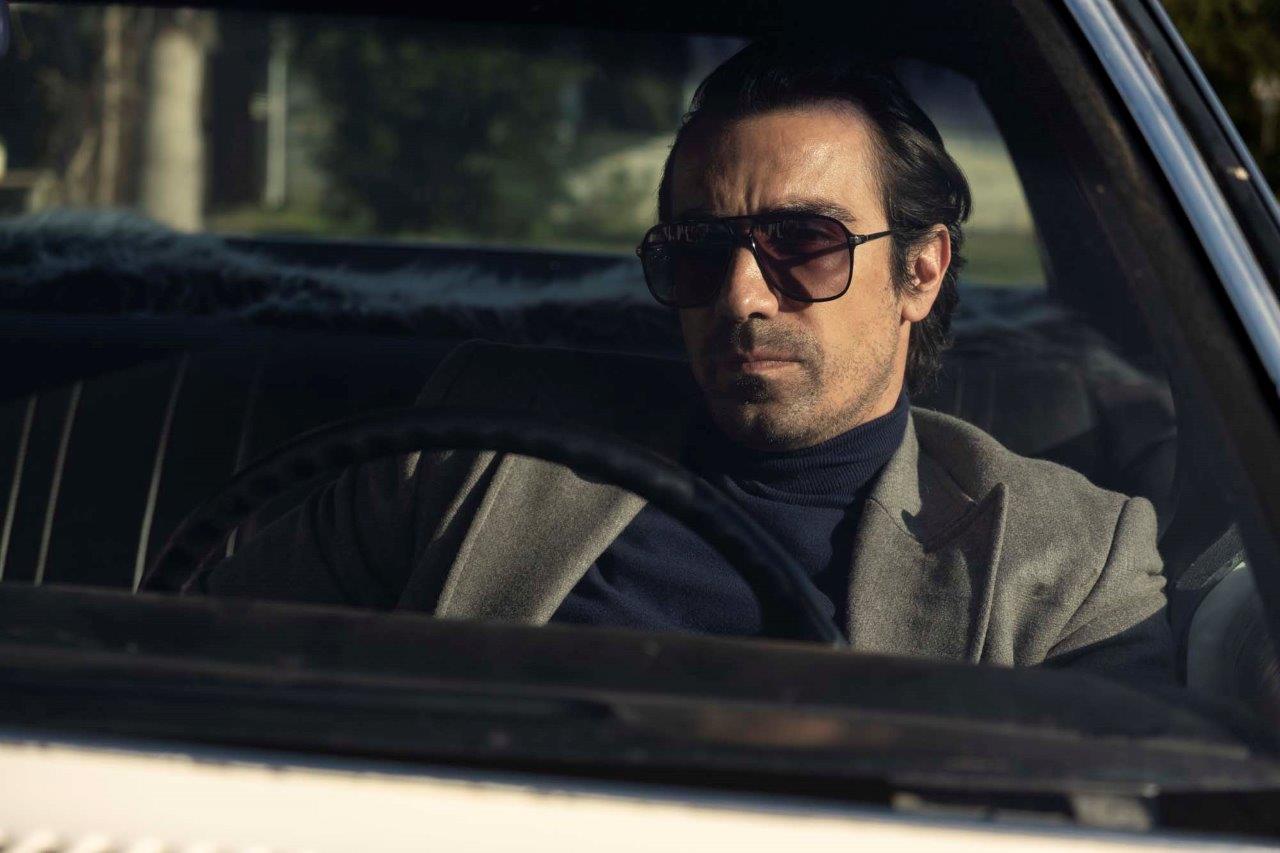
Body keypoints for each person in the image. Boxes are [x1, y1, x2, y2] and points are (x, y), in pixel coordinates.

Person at [193, 41, 1174, 684]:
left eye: (804, 242)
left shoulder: (1069, 560)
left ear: (919, 270)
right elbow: (202, 660)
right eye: (700, 252)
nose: (741, 297)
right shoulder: (478, 442)